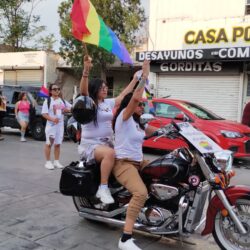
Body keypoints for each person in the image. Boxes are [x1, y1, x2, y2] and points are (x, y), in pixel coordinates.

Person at [78, 55, 142, 204]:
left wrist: (134, 79)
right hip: (91, 145)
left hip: (107, 143)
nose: (105, 89)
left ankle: (122, 186)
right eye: (102, 87)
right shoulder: (89, 102)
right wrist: (86, 71)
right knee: (110, 154)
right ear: (95, 89)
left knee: (125, 156)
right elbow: (83, 91)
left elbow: (123, 96)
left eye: (106, 87)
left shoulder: (107, 103)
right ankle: (103, 188)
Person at [112, 61, 158, 250]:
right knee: (140, 193)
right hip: (124, 164)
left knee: (165, 171)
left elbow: (154, 131)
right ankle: (125, 238)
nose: (142, 108)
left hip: (139, 162)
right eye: (139, 105)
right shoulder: (124, 116)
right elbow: (135, 98)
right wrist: (144, 76)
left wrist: (178, 129)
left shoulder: (139, 123)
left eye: (142, 106)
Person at [42, 84, 72, 170]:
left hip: (60, 126)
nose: (57, 90)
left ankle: (56, 161)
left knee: (58, 144)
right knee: (49, 144)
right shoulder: (47, 101)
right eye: (55, 89)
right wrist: (52, 119)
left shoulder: (62, 101)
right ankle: (48, 162)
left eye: (58, 89)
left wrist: (67, 110)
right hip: (51, 126)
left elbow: (69, 108)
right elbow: (44, 114)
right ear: (51, 91)